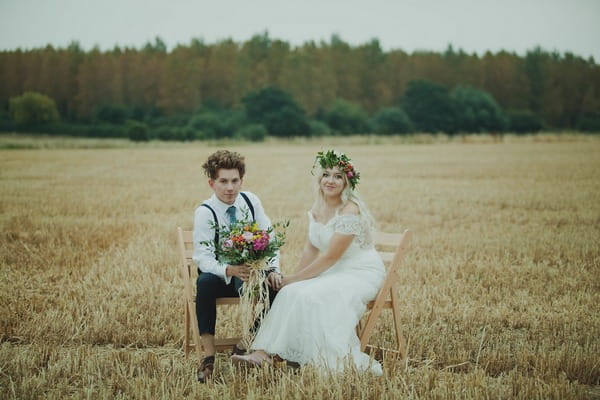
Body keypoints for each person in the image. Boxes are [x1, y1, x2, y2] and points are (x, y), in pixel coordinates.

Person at [232, 149, 386, 375]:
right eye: (326, 174)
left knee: (312, 295)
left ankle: (315, 358)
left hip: (360, 273)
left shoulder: (350, 211)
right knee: (289, 293)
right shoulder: (317, 209)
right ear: (319, 178)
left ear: (347, 182)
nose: (330, 181)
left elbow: (330, 257)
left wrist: (294, 278)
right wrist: (292, 281)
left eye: (337, 176)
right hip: (334, 272)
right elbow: (310, 250)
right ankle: (263, 354)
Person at [193, 150, 282, 383]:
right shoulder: (205, 212)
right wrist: (229, 270)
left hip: (250, 276)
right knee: (203, 283)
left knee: (279, 288)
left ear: (241, 180)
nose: (230, 188)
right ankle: (208, 357)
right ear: (212, 183)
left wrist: (272, 270)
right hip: (220, 277)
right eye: (223, 181)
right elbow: (203, 259)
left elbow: (270, 238)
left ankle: (247, 342)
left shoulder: (251, 201)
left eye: (234, 181)